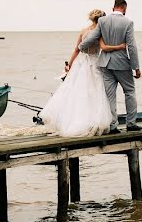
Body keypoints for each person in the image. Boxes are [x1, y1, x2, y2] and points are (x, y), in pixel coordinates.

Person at [38, 9, 115, 137]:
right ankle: (91, 121)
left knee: (77, 92)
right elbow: (104, 48)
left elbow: (76, 50)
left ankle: (74, 120)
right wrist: (119, 47)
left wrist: (69, 64)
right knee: (95, 92)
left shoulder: (83, 31)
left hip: (81, 63)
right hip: (95, 62)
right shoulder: (100, 32)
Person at [80, 0, 141, 131]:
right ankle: (130, 123)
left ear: (113, 7)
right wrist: (136, 67)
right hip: (122, 63)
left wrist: (81, 46)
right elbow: (132, 46)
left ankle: (113, 125)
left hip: (105, 63)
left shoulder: (102, 21)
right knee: (129, 91)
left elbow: (91, 38)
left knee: (110, 95)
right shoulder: (128, 23)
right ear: (124, 8)